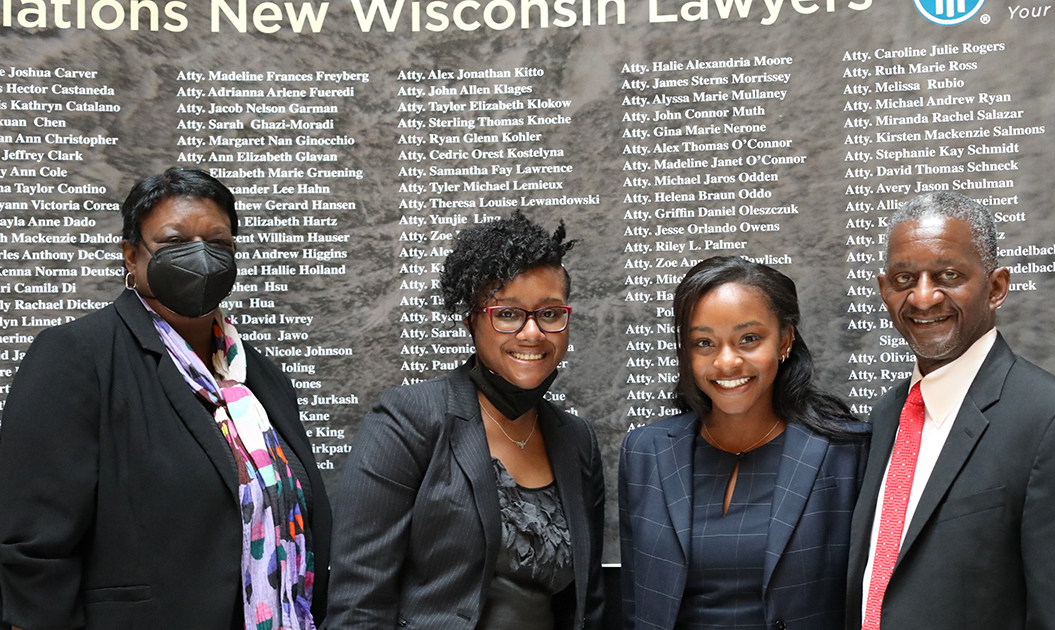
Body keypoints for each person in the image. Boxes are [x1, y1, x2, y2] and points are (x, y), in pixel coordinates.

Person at [0, 167, 331, 630]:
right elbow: (34, 548)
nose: (200, 257)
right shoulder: (77, 357)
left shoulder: (259, 377)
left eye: (218, 243)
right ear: (132, 257)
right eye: (175, 242)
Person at [847, 191, 1055, 630]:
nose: (923, 298)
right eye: (905, 279)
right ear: (885, 291)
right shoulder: (888, 414)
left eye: (948, 275)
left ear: (996, 287)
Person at [325, 210, 604, 630]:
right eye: (507, 314)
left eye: (549, 314)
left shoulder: (576, 440)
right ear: (471, 320)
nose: (532, 333)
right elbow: (357, 606)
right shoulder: (408, 421)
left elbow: (588, 603)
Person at [620, 256, 869, 630]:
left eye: (749, 339)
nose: (726, 362)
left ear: (785, 340)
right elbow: (633, 605)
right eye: (704, 343)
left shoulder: (847, 452)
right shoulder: (645, 452)